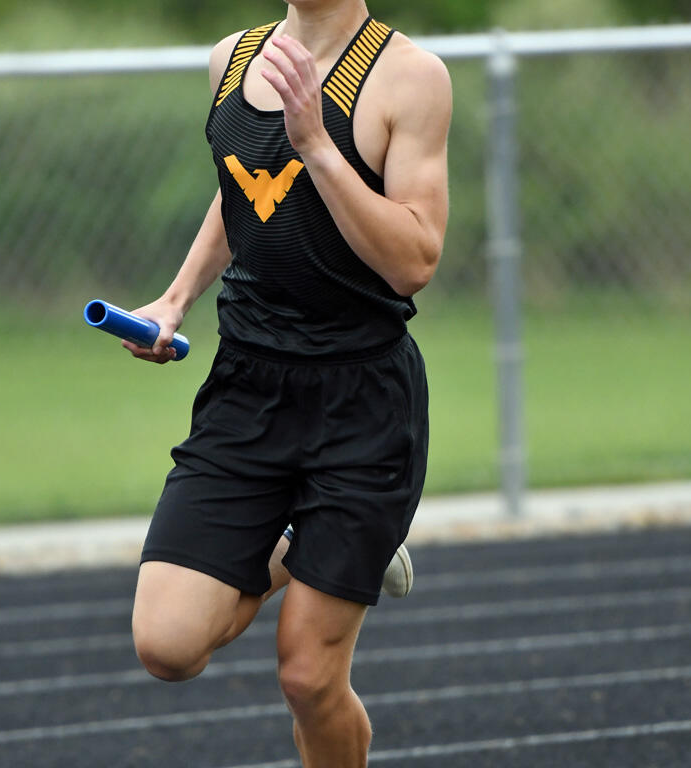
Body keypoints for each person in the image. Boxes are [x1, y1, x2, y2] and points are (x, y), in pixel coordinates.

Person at [127, 1, 451, 764]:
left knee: (307, 676)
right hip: (247, 387)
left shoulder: (410, 77)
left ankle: (342, 539)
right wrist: (175, 299)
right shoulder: (230, 60)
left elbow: (415, 259)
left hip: (362, 403)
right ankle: (309, 540)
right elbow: (244, 190)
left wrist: (318, 145)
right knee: (166, 644)